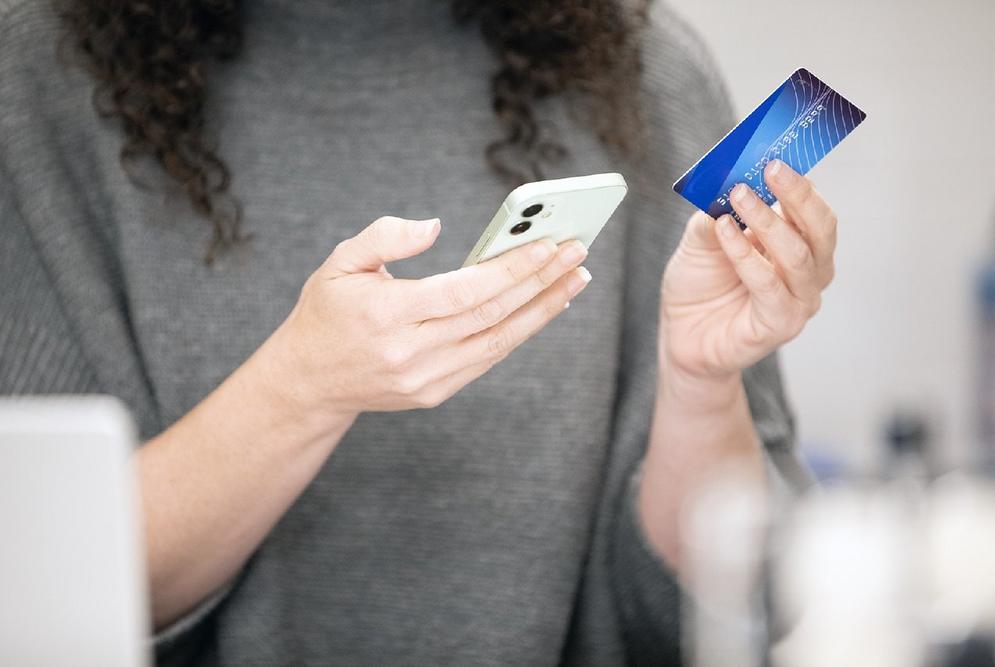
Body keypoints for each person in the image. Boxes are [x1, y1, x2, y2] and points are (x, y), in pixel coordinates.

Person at [0, 0, 835, 664]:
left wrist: (700, 381)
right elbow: (31, 587)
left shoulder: (641, 69)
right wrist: (301, 389)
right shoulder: (38, 72)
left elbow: (736, 606)